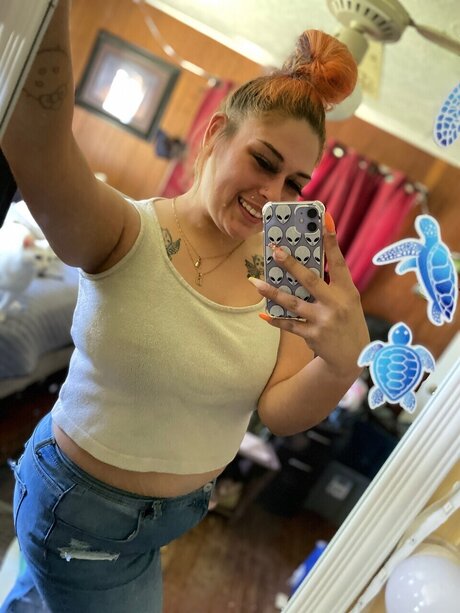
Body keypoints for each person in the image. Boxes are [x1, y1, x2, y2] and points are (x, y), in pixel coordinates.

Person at [0, 2, 370, 611]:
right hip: (80, 517)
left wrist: (340, 364)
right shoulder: (125, 230)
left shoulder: (282, 273)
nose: (272, 195)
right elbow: (34, 140)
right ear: (215, 134)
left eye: (294, 184)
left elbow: (279, 411)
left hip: (163, 521)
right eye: (263, 162)